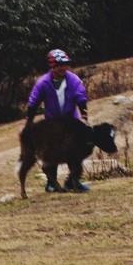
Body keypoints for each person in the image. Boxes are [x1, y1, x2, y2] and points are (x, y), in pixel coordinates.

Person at [23, 49, 90, 192]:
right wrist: (29, 122)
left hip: (71, 122)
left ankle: (73, 181)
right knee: (51, 154)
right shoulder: (43, 83)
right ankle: (51, 183)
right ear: (52, 66)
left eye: (65, 64)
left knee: (76, 153)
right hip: (52, 124)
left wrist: (84, 118)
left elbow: (81, 98)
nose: (63, 68)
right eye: (60, 65)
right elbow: (33, 102)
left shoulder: (73, 80)